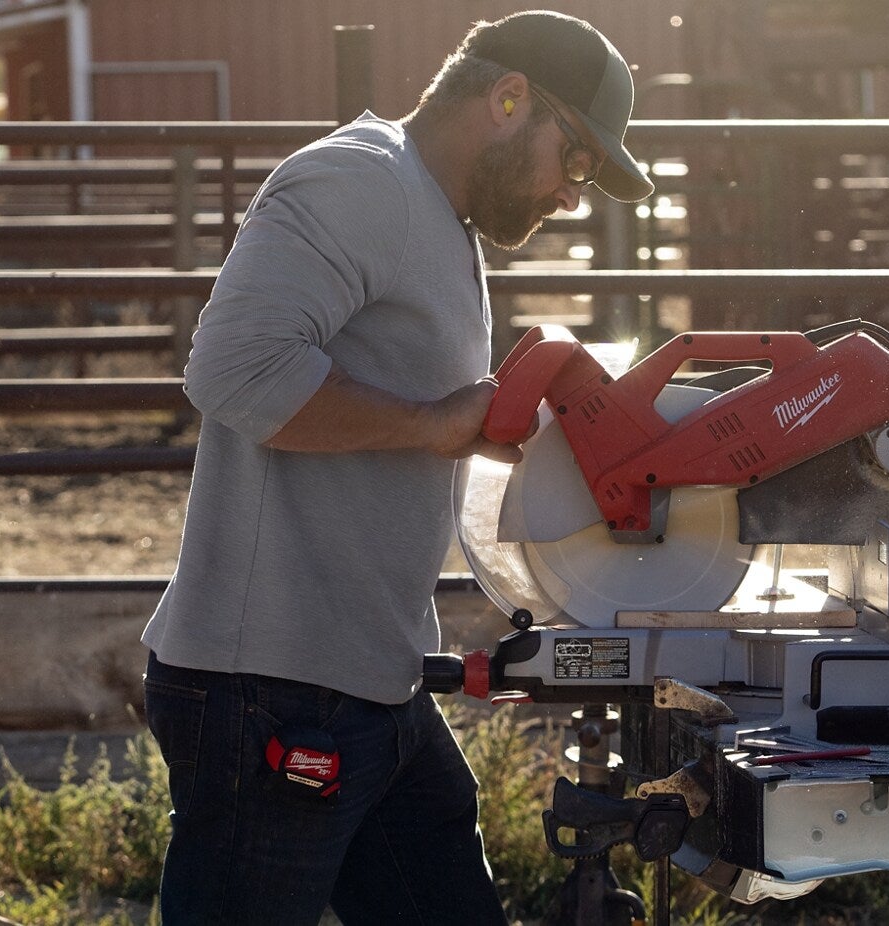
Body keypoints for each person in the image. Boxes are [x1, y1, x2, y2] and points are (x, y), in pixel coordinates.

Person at [138, 11, 654, 924]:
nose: (573, 195)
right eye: (574, 160)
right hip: (271, 689)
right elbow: (232, 369)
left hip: (371, 678)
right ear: (507, 99)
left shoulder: (437, 215)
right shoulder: (360, 182)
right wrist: (427, 424)